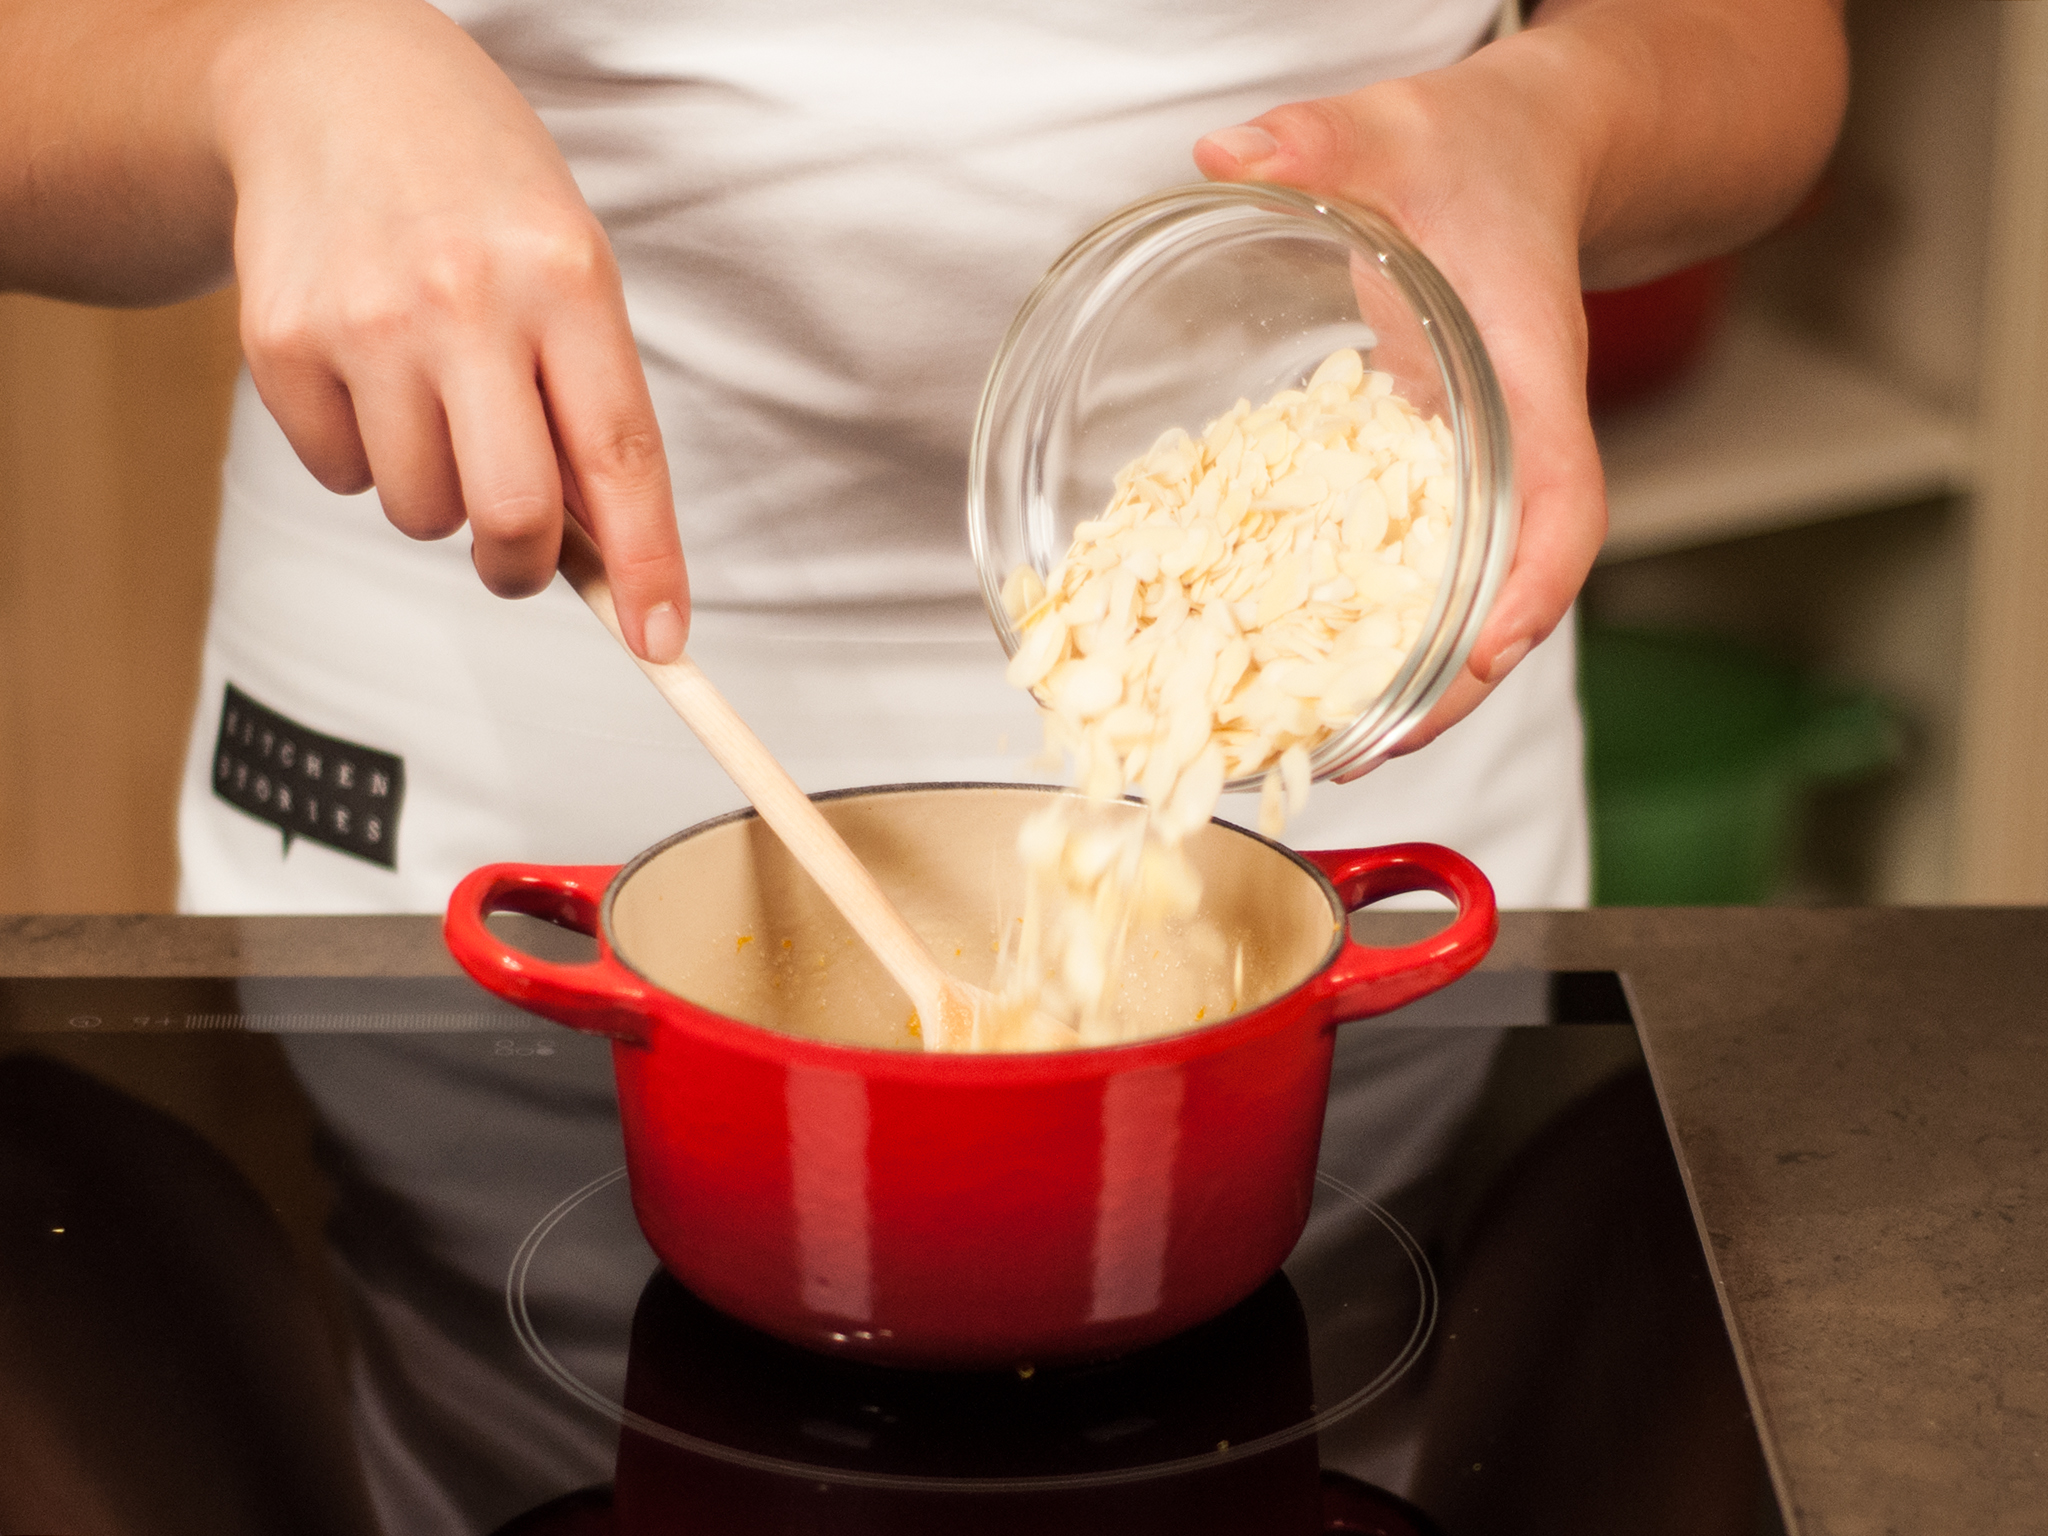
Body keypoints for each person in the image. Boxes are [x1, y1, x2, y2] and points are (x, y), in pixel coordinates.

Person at [2, 2, 1849, 1530]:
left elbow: (1759, 51)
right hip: (451, 824)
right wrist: (262, 64)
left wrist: (1557, 118)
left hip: (1359, 810)